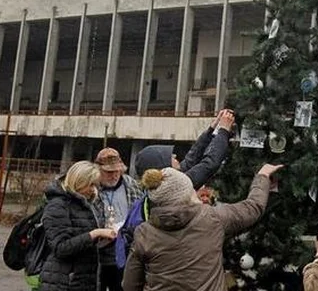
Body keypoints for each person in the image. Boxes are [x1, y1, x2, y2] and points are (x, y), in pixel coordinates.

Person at [121, 163, 283, 291]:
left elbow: (130, 284)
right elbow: (252, 208)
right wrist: (262, 176)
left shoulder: (144, 232)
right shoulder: (211, 218)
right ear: (186, 194)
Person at [115, 109, 236, 269]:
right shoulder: (175, 190)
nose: (176, 157)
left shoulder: (160, 187)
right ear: (162, 167)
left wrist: (211, 130)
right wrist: (224, 132)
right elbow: (210, 164)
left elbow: (191, 159)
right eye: (170, 157)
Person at [39, 161, 118, 291]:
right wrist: (95, 234)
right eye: (90, 184)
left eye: (95, 185)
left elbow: (85, 241)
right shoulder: (57, 205)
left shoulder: (88, 204)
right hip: (64, 282)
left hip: (85, 280)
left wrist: (105, 238)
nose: (93, 189)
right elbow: (60, 248)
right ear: (79, 181)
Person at [93, 148, 143, 291]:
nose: (114, 175)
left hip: (125, 255)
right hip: (98, 256)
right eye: (108, 172)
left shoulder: (132, 185)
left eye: (117, 171)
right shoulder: (91, 187)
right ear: (98, 171)